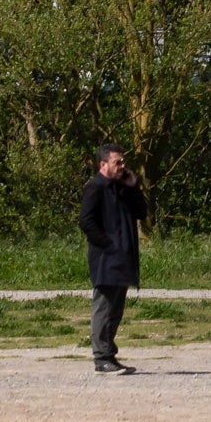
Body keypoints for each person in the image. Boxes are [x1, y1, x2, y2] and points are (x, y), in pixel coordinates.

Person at [76, 143, 148, 374]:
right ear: (103, 164)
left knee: (116, 310)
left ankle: (110, 355)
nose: (122, 166)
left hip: (124, 258)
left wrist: (134, 187)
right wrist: (108, 244)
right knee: (104, 308)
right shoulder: (95, 188)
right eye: (118, 162)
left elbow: (142, 213)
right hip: (106, 259)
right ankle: (101, 358)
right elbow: (86, 221)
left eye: (123, 161)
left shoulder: (123, 187)